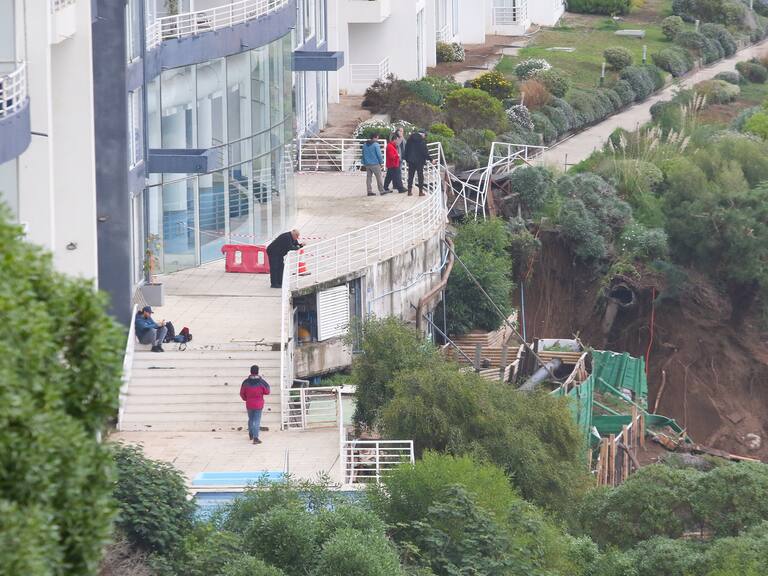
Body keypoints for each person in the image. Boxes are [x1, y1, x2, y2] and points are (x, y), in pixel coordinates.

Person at [239, 365, 271, 444]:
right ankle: (256, 438)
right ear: (258, 371)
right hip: (259, 404)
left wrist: (246, 399)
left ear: (250, 371)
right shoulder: (261, 382)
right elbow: (267, 391)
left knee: (251, 419)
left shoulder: (245, 382)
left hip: (249, 403)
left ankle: (251, 434)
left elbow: (241, 393)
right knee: (257, 420)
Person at [404, 129, 433, 197]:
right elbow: (425, 152)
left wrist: (407, 159)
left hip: (411, 161)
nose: (425, 137)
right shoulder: (422, 141)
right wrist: (431, 159)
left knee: (410, 176)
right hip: (419, 161)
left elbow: (406, 150)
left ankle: (409, 191)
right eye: (425, 135)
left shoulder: (410, 139)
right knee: (420, 176)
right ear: (422, 134)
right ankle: (420, 192)